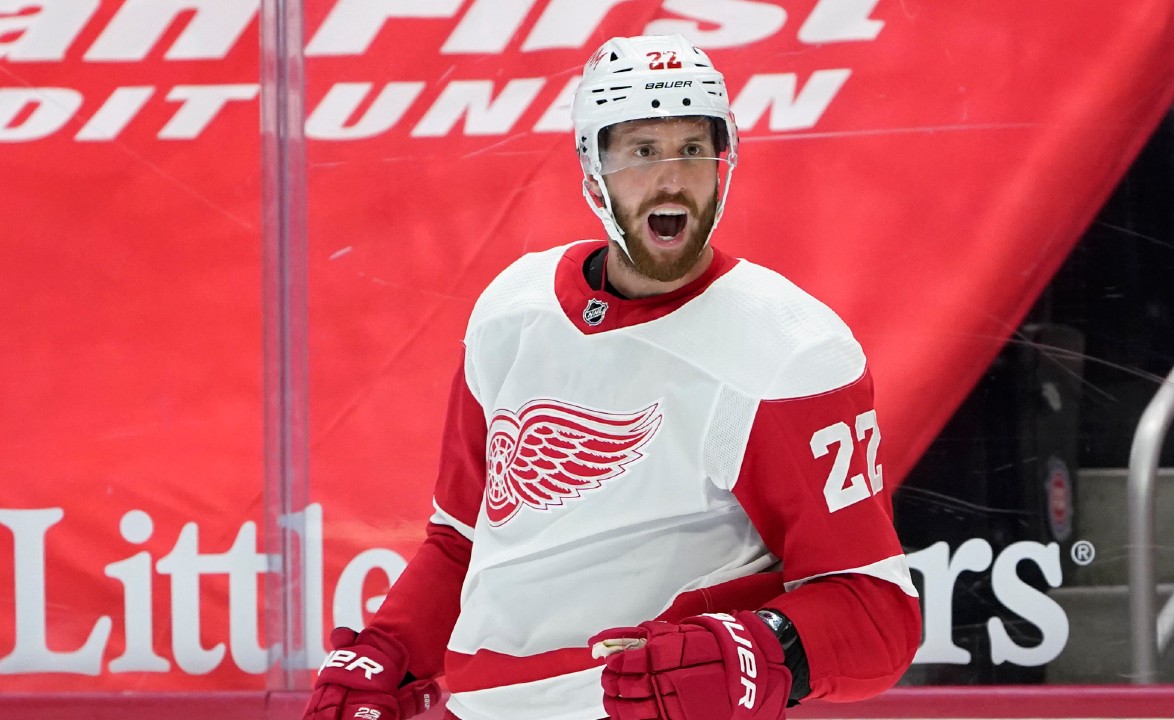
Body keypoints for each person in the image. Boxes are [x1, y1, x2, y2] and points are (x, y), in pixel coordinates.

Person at [302, 34, 921, 720]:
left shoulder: (789, 350)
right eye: (642, 151)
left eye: (693, 148)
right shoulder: (514, 309)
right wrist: (390, 650)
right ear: (593, 168)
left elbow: (877, 615)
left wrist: (759, 650)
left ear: (725, 161)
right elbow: (462, 537)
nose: (672, 179)